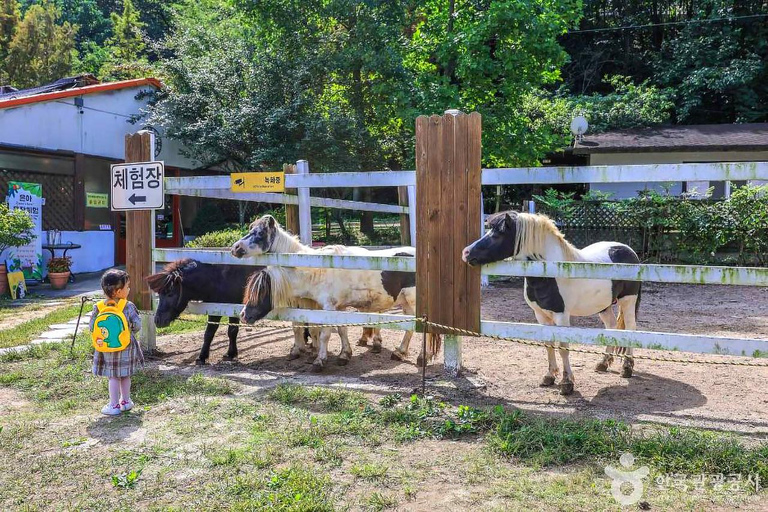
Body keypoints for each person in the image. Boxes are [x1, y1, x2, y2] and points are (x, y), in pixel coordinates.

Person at [90, 269, 144, 415]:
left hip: (107, 348)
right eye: (127, 287)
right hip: (126, 346)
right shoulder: (128, 306)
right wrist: (129, 330)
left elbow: (92, 327)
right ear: (119, 291)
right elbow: (137, 325)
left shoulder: (99, 307)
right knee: (125, 375)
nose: (129, 289)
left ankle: (113, 405)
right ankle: (125, 402)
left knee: (113, 376)